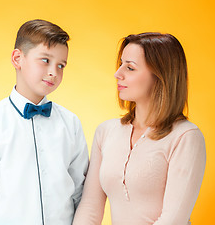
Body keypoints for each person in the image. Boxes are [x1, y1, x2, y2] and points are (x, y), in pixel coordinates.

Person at [0, 19, 89, 225]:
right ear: (17, 58)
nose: (54, 73)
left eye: (61, 65)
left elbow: (81, 193)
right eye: (45, 60)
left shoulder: (71, 124)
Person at [73, 33, 206, 225]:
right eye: (120, 64)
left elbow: (173, 220)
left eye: (130, 67)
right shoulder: (106, 131)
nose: (117, 73)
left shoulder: (185, 136)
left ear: (160, 75)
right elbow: (90, 207)